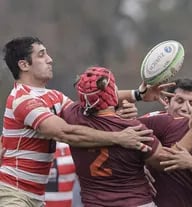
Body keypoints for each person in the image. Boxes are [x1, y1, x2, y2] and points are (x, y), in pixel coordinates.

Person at [0, 36, 172, 207]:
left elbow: (93, 101)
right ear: (24, 65)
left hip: (35, 196)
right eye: (41, 55)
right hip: (13, 192)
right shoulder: (21, 99)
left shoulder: (54, 96)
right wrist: (119, 137)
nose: (50, 60)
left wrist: (139, 94)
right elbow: (66, 133)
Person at [62, 66, 192, 207]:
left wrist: (138, 94)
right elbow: (166, 161)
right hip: (136, 202)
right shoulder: (133, 129)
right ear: (112, 94)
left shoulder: (72, 114)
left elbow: (95, 97)